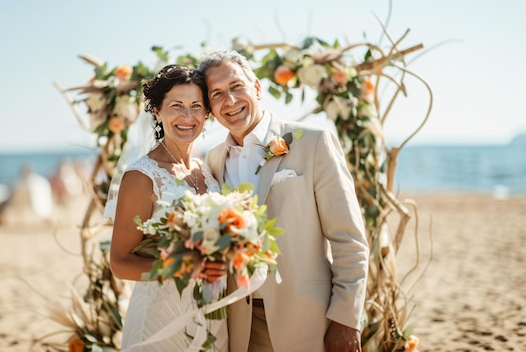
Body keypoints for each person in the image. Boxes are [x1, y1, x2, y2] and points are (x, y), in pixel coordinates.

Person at [198, 50, 369, 352]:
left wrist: (346, 319)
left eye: (237, 86)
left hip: (309, 319)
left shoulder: (314, 143)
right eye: (217, 94)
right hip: (240, 325)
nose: (230, 100)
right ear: (210, 107)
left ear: (258, 88)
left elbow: (349, 239)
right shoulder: (212, 160)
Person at [108, 64, 228, 352]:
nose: (188, 116)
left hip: (212, 314)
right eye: (177, 106)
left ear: (207, 113)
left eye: (196, 106)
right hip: (159, 317)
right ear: (157, 112)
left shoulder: (209, 169)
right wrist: (185, 268)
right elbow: (120, 263)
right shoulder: (141, 176)